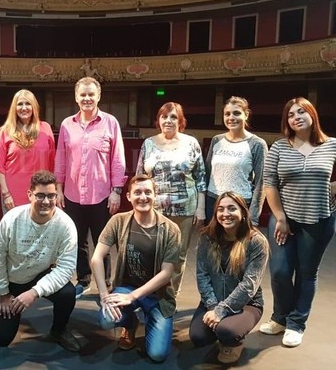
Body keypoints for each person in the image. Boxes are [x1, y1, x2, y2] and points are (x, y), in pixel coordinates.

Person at [261, 97, 336, 347]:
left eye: (301, 112)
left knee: (307, 272)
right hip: (284, 218)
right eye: (291, 114)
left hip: (320, 218)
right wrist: (280, 218)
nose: (296, 117)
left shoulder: (332, 145)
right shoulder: (279, 147)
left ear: (312, 115)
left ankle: (296, 324)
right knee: (280, 271)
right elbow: (270, 184)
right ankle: (279, 318)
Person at [91, 175, 181, 363]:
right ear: (129, 196)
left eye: (148, 192)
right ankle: (131, 323)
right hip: (127, 287)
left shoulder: (171, 229)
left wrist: (133, 297)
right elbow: (97, 258)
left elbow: (166, 274)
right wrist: (104, 296)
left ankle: (151, 320)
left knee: (157, 354)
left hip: (157, 295)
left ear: (155, 195)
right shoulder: (118, 221)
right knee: (106, 318)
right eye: (137, 192)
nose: (143, 197)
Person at [0, 170, 81, 352]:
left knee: (67, 293)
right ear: (30, 194)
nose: (46, 201)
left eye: (51, 196)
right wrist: (3, 294)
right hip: (13, 279)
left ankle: (58, 330)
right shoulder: (12, 219)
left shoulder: (65, 225)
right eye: (40, 195)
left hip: (40, 274)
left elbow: (66, 268)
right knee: (2, 338)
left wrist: (34, 292)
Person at [54, 77, 126, 298]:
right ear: (76, 97)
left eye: (91, 94)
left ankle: (106, 283)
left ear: (98, 96)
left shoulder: (110, 123)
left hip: (101, 194)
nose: (87, 98)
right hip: (73, 193)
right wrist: (59, 189)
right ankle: (83, 280)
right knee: (77, 242)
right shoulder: (67, 125)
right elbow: (61, 159)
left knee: (103, 242)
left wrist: (116, 191)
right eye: (83, 95)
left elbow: (117, 159)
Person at [189, 192, 269, 364]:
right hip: (214, 299)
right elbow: (202, 275)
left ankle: (235, 341)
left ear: (243, 212)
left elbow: (249, 285)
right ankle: (223, 327)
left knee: (226, 331)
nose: (226, 213)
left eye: (232, 208)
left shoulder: (256, 241)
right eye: (221, 209)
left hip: (247, 303)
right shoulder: (206, 237)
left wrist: (221, 311)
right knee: (198, 337)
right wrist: (212, 306)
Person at [136, 102, 206, 294]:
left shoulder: (191, 143)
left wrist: (200, 208)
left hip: (185, 208)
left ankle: (170, 295)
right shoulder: (148, 143)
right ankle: (151, 293)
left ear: (180, 121)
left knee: (178, 254)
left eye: (173, 117)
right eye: (164, 116)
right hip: (154, 210)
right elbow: (140, 177)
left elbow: (201, 177)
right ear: (158, 120)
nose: (168, 120)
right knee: (153, 252)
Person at [204, 96, 268, 225]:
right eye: (227, 114)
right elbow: (207, 173)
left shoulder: (257, 144)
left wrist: (253, 217)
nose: (231, 117)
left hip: (240, 204)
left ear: (246, 115)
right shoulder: (217, 140)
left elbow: (261, 182)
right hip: (213, 202)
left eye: (237, 113)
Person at [0, 89, 55, 212]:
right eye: (20, 104)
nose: (24, 108)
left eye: (28, 104)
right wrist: (6, 194)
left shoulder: (45, 128)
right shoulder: (5, 131)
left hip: (40, 192)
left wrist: (52, 190)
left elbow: (52, 161)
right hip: (13, 193)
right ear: (14, 108)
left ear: (34, 107)